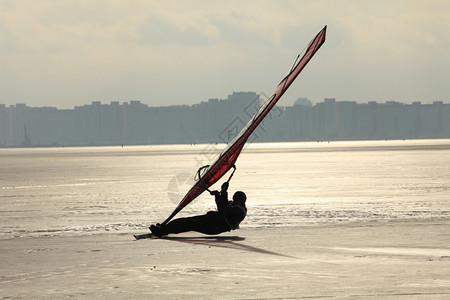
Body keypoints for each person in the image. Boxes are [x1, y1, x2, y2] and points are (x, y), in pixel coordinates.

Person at [149, 182, 246, 237]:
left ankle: (162, 231)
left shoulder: (240, 210)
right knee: (186, 220)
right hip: (211, 221)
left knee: (188, 224)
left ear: (242, 201)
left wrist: (219, 194)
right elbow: (224, 202)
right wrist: (223, 191)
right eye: (234, 198)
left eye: (237, 199)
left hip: (214, 227)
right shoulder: (232, 204)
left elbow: (222, 209)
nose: (234, 201)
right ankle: (164, 228)